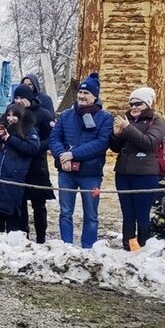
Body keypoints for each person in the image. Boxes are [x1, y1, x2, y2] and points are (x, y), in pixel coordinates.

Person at [49, 73, 113, 249]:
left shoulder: (105, 118)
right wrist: (62, 155)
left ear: (95, 96)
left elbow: (101, 143)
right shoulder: (66, 115)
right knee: (65, 212)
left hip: (91, 173)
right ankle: (66, 246)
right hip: (66, 171)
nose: (82, 96)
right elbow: (54, 138)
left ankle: (88, 247)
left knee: (91, 214)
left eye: (86, 94)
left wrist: (74, 154)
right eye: (80, 93)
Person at [110, 87, 165, 250]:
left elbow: (149, 142)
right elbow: (115, 148)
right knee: (128, 215)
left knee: (142, 215)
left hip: (145, 174)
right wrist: (116, 134)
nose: (133, 107)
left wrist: (127, 129)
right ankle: (128, 248)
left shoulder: (157, 121)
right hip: (123, 173)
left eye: (138, 104)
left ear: (147, 104)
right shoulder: (126, 120)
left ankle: (142, 249)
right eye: (132, 103)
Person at [0, 103, 40, 233]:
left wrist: (10, 138)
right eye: (8, 115)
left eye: (14, 115)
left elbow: (32, 149)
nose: (10, 118)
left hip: (14, 178)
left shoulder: (28, 130)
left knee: (12, 216)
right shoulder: (3, 128)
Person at [12, 85, 55, 243]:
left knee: (39, 204)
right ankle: (23, 234)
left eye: (22, 98)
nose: (19, 101)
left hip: (37, 164)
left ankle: (41, 237)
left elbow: (51, 138)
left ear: (30, 98)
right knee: (20, 202)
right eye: (16, 98)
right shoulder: (13, 112)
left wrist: (34, 147)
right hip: (18, 163)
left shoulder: (44, 114)